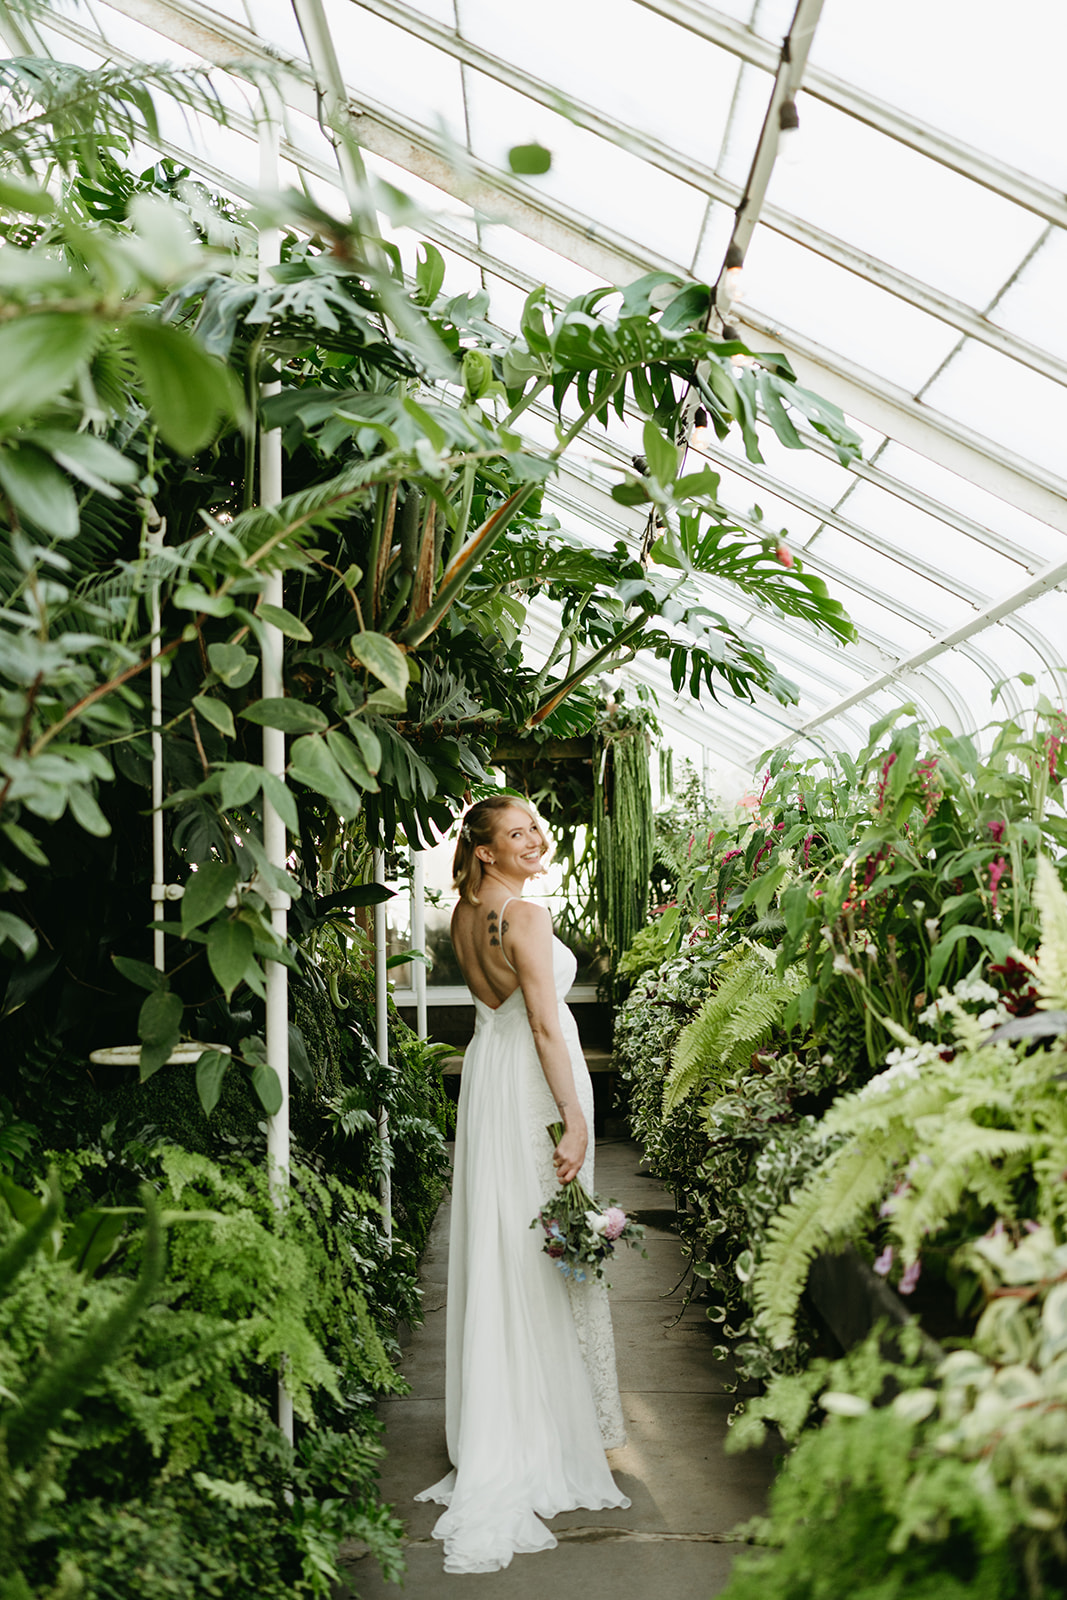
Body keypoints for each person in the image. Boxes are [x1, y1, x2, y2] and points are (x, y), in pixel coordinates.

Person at [415, 796, 630, 1573]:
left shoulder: (469, 911)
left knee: (509, 1237)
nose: (534, 840)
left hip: (490, 1077)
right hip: (534, 1082)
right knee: (541, 1242)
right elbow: (544, 1022)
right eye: (516, 834)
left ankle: (501, 1414)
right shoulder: (524, 916)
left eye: (535, 828)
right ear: (483, 851)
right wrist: (573, 1117)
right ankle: (538, 1431)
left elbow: (503, 1012)